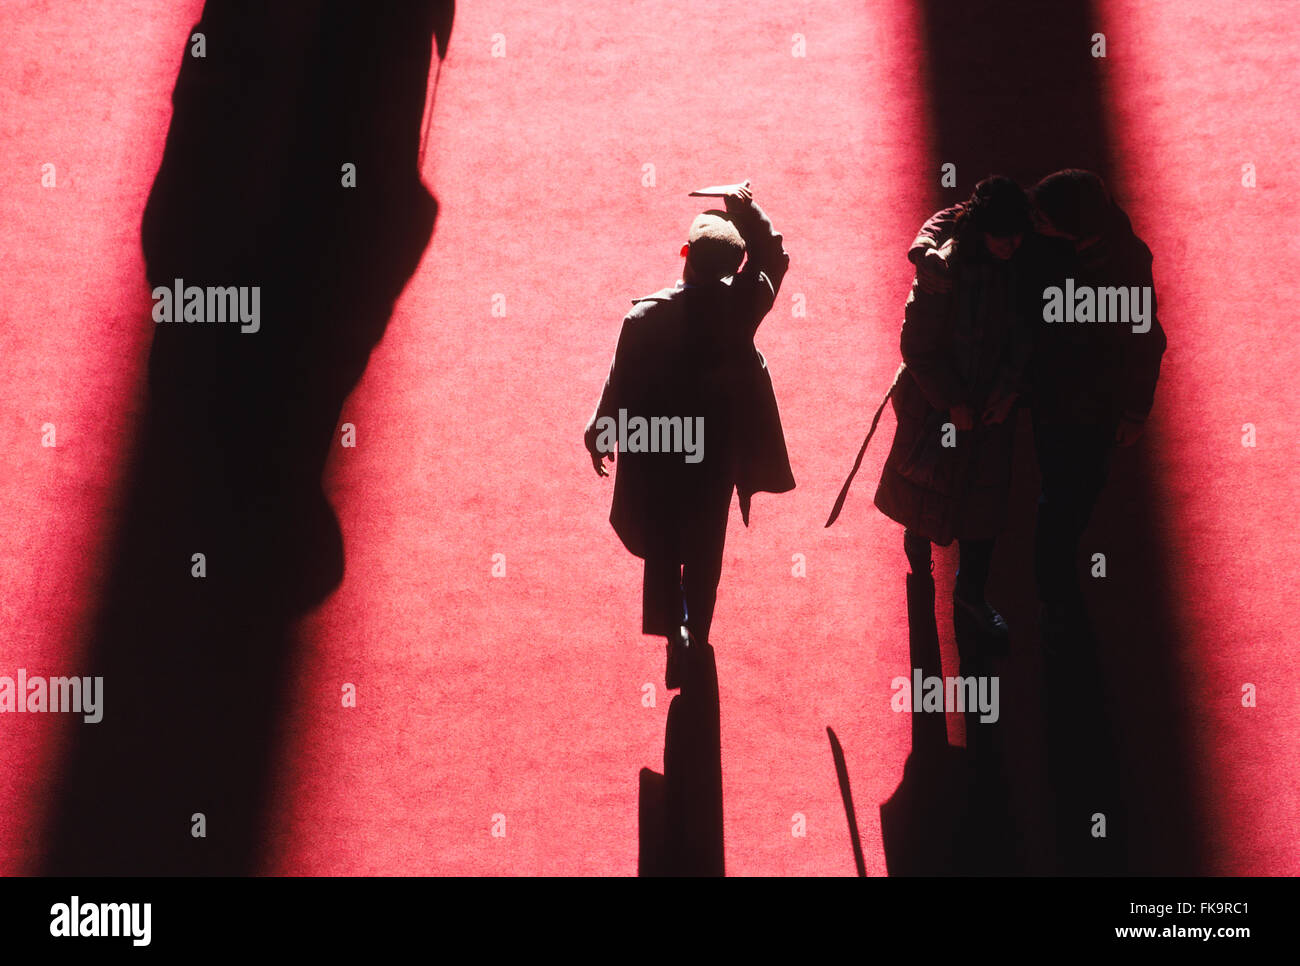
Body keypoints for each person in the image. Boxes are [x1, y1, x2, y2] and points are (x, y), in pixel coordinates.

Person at [584, 181, 795, 688]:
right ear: (733, 265)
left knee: (662, 544)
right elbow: (776, 258)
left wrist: (600, 429)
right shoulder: (741, 308)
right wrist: (746, 212)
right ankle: (694, 632)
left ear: (685, 254)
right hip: (715, 454)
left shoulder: (644, 316)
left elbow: (620, 379)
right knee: (705, 547)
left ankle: (672, 628)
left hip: (658, 448)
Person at [875, 176, 1034, 642]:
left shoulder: (1018, 260)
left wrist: (1008, 392)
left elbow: (1024, 336)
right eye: (1004, 236)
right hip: (936, 408)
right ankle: (918, 556)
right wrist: (951, 403)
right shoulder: (943, 268)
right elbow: (917, 346)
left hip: (990, 412)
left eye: (1017, 235)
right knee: (926, 494)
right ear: (981, 230)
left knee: (984, 511)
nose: (1013, 244)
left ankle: (970, 597)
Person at [1026, 169, 1166, 641]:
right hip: (1056, 400)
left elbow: (1145, 342)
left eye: (1044, 217)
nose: (1034, 221)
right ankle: (1055, 592)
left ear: (1072, 225)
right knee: (1061, 499)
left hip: (1093, 406)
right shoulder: (1060, 243)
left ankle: (1056, 588)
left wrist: (1133, 411)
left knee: (1071, 497)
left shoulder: (1124, 264)